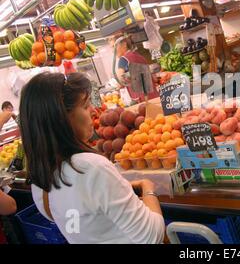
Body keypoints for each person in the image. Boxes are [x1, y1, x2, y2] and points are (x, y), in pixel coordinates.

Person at [19, 72, 165, 244]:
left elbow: (86, 213)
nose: (94, 111)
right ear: (62, 117)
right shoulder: (90, 167)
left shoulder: (39, 178)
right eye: (85, 105)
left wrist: (115, 190)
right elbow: (152, 236)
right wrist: (148, 189)